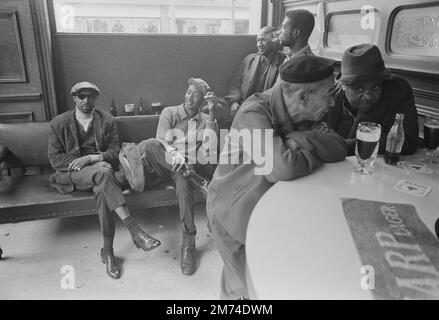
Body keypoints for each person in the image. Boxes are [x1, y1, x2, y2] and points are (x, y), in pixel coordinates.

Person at [206, 56, 348, 299]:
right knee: (251, 291)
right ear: (303, 96)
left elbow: (338, 147)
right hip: (233, 214)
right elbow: (280, 168)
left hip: (266, 210)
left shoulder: (306, 113)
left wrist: (293, 143)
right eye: (328, 94)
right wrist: (303, 146)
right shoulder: (252, 112)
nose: (333, 103)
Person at [47, 81, 161, 280]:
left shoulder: (106, 120)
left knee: (102, 187)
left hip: (102, 174)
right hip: (71, 175)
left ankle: (107, 252)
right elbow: (55, 159)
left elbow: (114, 151)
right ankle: (135, 231)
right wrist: (83, 163)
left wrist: (93, 158)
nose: (86, 101)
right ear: (74, 97)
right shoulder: (59, 122)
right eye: (81, 96)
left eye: (90, 97)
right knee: (103, 174)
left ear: (96, 98)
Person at [120, 78, 219, 276]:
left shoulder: (205, 118)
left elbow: (209, 147)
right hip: (160, 164)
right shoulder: (170, 112)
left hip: (183, 170)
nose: (189, 97)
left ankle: (188, 246)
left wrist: (212, 111)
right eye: (188, 92)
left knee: (183, 181)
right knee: (150, 144)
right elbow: (161, 143)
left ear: (202, 101)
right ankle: (199, 181)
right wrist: (178, 157)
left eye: (196, 95)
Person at [326, 43, 419, 155]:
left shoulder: (397, 90)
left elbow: (407, 142)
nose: (368, 96)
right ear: (344, 86)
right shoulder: (329, 96)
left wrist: (346, 145)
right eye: (359, 89)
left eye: (376, 87)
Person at [225, 26, 285, 117]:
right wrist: (234, 102)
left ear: (274, 41)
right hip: (243, 106)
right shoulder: (249, 59)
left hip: (266, 110)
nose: (259, 44)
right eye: (258, 40)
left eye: (263, 40)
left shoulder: (283, 62)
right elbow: (235, 84)